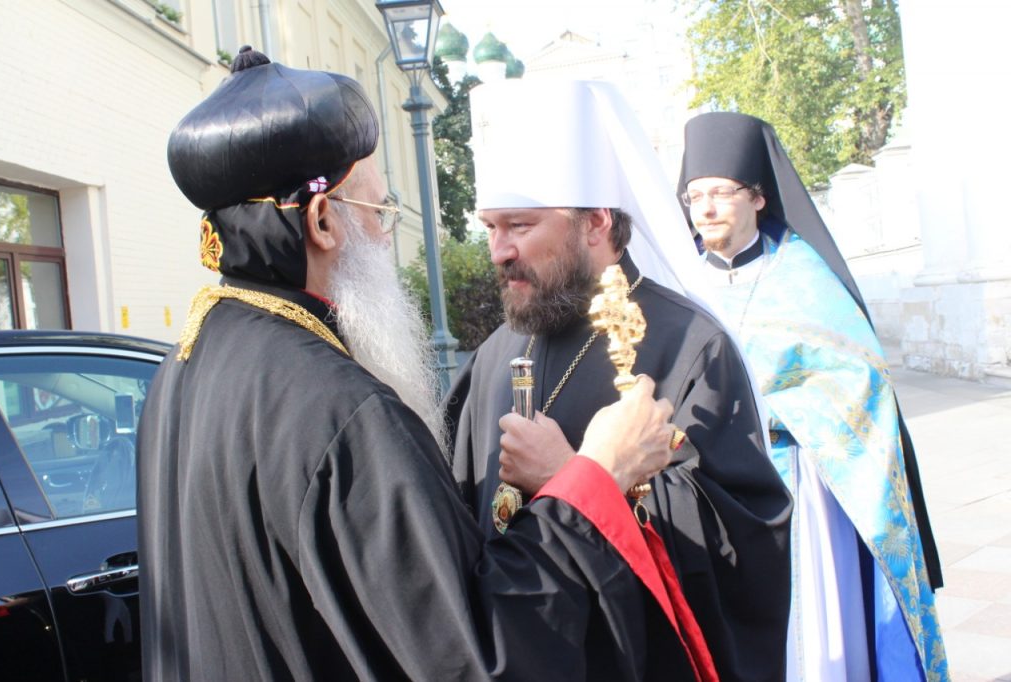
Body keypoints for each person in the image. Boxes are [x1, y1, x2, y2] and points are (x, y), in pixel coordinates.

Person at [136, 47, 691, 681]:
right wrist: (594, 476)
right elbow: (481, 656)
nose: (385, 237)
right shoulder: (340, 408)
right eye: (380, 212)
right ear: (322, 221)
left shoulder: (183, 364)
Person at [447, 79, 793, 682]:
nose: (499, 251)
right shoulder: (494, 354)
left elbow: (743, 547)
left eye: (520, 226)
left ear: (596, 222)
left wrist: (568, 479)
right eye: (491, 228)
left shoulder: (690, 344)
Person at [676, 111, 948, 681]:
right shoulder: (678, 285)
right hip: (706, 488)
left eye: (720, 193)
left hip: (796, 478)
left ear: (757, 197)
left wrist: (777, 404)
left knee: (810, 634)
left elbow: (861, 385)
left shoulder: (804, 274)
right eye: (693, 195)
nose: (705, 208)